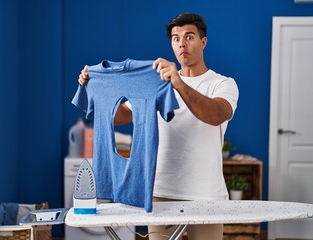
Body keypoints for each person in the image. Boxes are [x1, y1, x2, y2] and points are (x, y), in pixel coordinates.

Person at [77, 12, 239, 240]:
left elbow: (215, 114)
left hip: (206, 193)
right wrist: (95, 90)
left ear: (203, 41)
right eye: (175, 38)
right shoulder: (158, 82)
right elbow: (121, 116)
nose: (182, 43)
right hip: (160, 190)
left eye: (189, 37)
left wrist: (178, 83)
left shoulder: (223, 84)